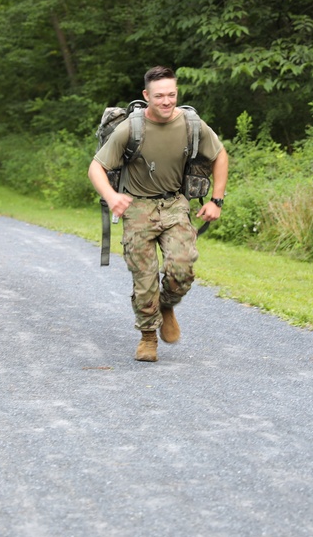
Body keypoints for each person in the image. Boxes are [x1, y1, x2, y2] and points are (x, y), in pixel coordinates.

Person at [88, 66, 229, 362]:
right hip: (138, 207)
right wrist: (112, 196)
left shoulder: (191, 124)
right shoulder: (131, 128)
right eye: (160, 96)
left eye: (171, 95)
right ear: (146, 95)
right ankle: (148, 337)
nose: (166, 101)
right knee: (144, 278)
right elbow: (96, 167)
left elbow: (220, 155)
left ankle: (166, 306)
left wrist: (216, 200)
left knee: (182, 270)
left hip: (175, 204)